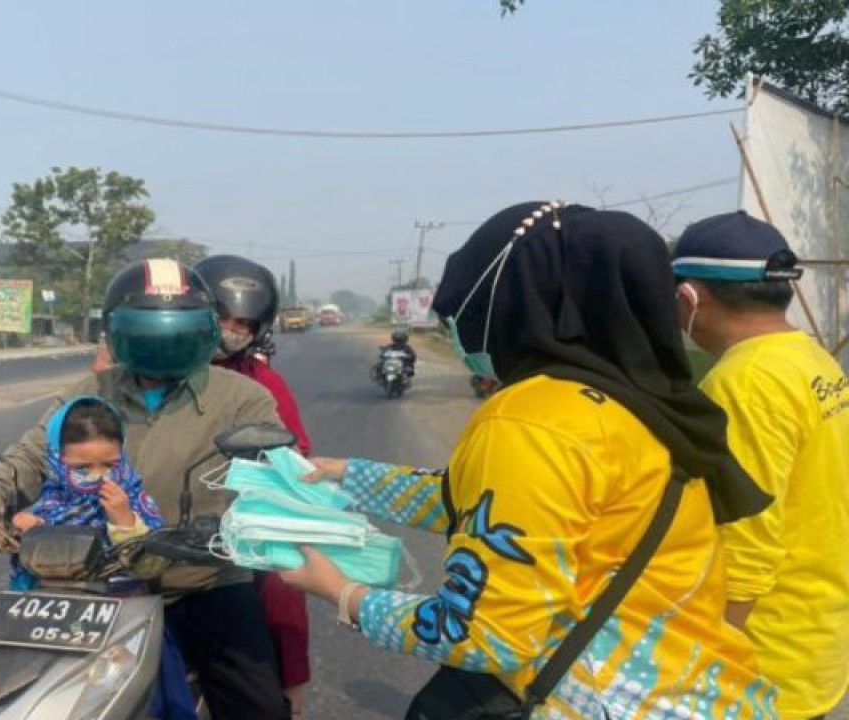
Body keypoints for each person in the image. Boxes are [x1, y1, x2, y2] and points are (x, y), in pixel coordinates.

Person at [279, 201, 777, 717]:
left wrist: (341, 593)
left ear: (517, 304)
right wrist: (343, 477)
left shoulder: (529, 420)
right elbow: (495, 506)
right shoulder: (639, 402)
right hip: (701, 689)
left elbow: (486, 636)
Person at [0, 258, 290, 720]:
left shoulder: (242, 397)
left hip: (200, 581)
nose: (164, 345)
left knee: (259, 709)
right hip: (97, 584)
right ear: (117, 332)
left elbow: (277, 477)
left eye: (177, 333)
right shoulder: (92, 389)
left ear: (203, 331)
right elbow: (31, 454)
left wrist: (249, 523)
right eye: (149, 333)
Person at [672, 211, 849, 720]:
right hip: (814, 639)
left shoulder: (743, 382)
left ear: (689, 298)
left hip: (756, 661)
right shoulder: (813, 360)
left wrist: (707, 661)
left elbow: (746, 538)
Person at [194, 254, 313, 719]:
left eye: (241, 323)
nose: (229, 330)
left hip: (229, 521)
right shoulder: (142, 368)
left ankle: (292, 691)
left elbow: (294, 456)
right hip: (143, 512)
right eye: (220, 317)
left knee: (283, 576)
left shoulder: (264, 383)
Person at [7, 396, 164, 589]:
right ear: (57, 458)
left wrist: (125, 522)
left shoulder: (132, 497)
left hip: (119, 603)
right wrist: (35, 528)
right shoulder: (54, 498)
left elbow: (151, 567)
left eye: (109, 465)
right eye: (82, 467)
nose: (98, 475)